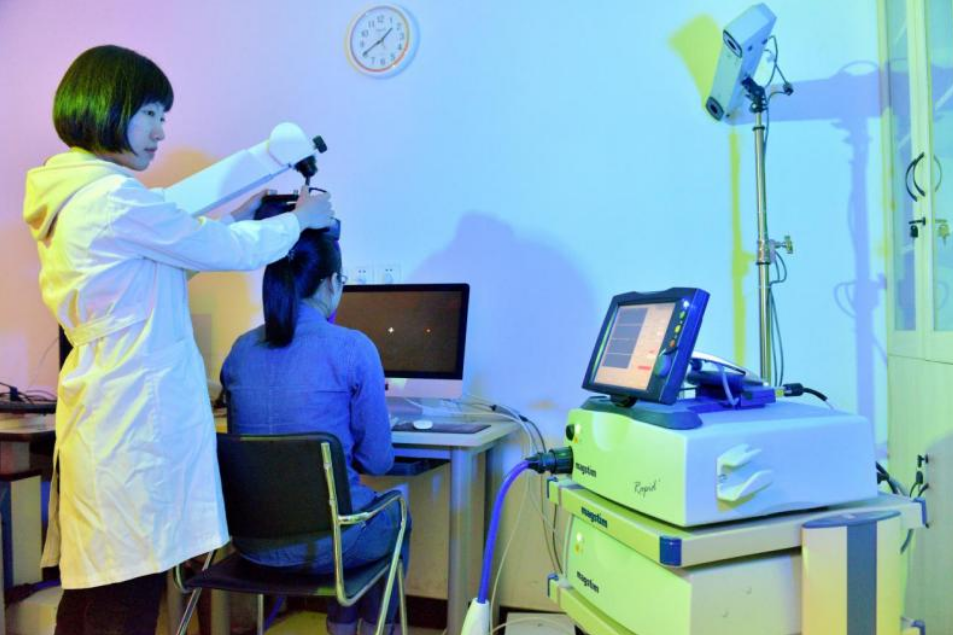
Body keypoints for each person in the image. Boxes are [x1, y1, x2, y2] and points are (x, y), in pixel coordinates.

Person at [22, 44, 335, 635]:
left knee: (96, 584)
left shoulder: (77, 196)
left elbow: (168, 257)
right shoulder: (112, 199)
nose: (161, 132)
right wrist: (301, 220)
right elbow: (216, 249)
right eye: (151, 113)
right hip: (131, 413)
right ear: (108, 106)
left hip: (103, 407)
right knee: (127, 590)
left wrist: (240, 213)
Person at [221, 230, 410, 635]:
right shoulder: (352, 348)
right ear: (330, 282)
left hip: (250, 544)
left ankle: (341, 627)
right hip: (328, 548)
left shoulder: (240, 350)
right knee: (394, 513)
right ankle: (369, 628)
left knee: (352, 514)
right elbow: (378, 461)